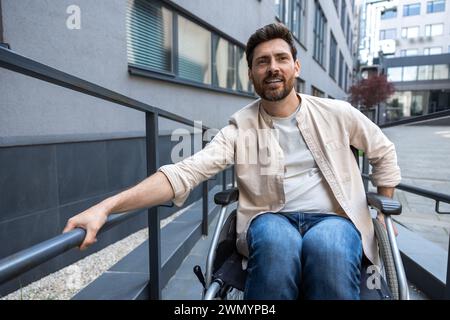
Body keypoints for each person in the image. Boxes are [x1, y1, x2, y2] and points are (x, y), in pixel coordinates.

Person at [63, 23, 401, 300]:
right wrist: (107, 206)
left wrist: (384, 210)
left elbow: (382, 151)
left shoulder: (337, 113)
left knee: (328, 247)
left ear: (296, 67)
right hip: (271, 218)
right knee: (277, 243)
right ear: (251, 74)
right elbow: (184, 172)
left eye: (281, 58)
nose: (272, 68)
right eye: (262, 62)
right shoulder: (240, 127)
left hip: (334, 218)